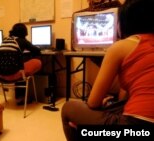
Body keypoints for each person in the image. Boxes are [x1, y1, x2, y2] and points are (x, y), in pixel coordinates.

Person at [61, 0, 154, 140]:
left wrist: (101, 103)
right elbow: (127, 95)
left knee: (69, 108)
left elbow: (93, 102)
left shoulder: (121, 47)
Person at [0, 23, 42, 105]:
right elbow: (36, 50)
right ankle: (22, 98)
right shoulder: (22, 41)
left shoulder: (5, 39)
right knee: (37, 62)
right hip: (13, 74)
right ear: (24, 32)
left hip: (1, 75)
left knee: (19, 65)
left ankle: (19, 97)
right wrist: (39, 47)